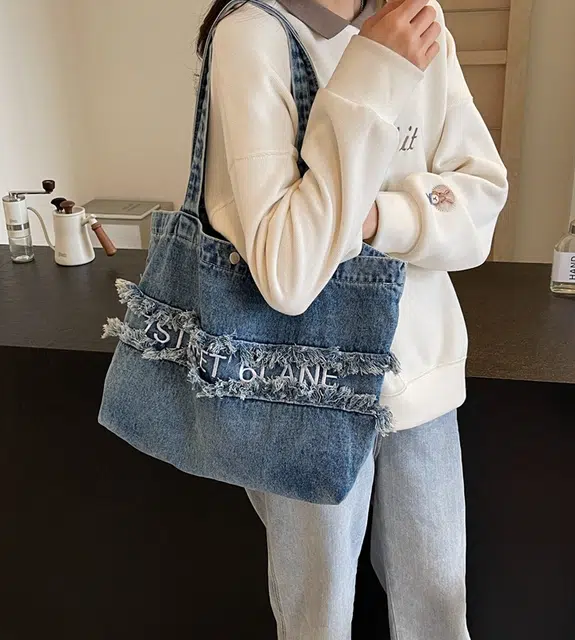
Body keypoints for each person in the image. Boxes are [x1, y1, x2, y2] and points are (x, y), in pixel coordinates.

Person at [197, 0, 508, 637]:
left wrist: (375, 218)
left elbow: (480, 203)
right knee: (319, 618)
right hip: (304, 385)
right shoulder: (252, 32)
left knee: (439, 612)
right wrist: (377, 67)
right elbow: (288, 269)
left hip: (419, 377)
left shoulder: (418, 17)